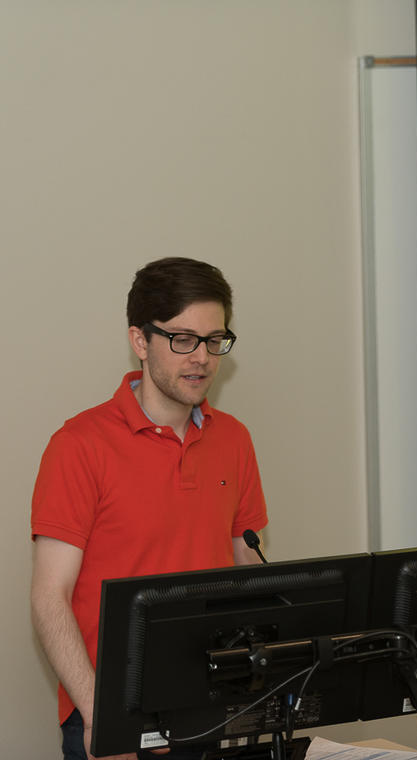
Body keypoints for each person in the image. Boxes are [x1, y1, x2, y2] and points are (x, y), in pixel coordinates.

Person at [30, 258, 268, 760]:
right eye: (182, 339)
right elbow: (50, 596)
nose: (201, 358)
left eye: (214, 340)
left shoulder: (235, 438)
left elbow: (246, 564)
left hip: (209, 704)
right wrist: (100, 716)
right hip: (113, 711)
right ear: (140, 340)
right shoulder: (79, 445)